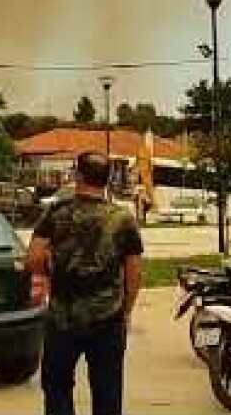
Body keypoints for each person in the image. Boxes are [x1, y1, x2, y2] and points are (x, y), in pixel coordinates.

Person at [27, 151, 144, 415]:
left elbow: (33, 258)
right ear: (107, 179)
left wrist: (51, 270)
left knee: (57, 387)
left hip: (63, 317)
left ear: (78, 175)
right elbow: (134, 272)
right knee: (107, 391)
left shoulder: (56, 212)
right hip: (107, 318)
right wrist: (126, 310)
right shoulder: (122, 219)